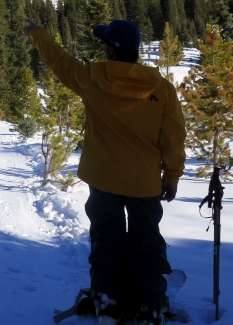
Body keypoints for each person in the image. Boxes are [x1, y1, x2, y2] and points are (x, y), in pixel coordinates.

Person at [24, 20, 186, 325]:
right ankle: (151, 305)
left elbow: (57, 59)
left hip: (104, 180)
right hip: (145, 182)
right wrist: (172, 176)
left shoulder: (92, 79)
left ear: (110, 49)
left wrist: (37, 33)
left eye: (104, 44)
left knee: (105, 241)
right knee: (148, 243)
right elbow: (173, 137)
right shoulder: (161, 89)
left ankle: (107, 304)